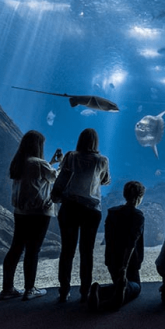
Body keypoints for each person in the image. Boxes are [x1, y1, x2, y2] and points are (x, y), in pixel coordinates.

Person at [1, 130, 62, 301]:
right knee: (33, 250)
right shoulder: (39, 163)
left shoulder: (19, 162)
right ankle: (30, 289)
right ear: (38, 145)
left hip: (21, 212)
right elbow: (53, 177)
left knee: (16, 248)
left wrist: (50, 162)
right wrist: (61, 164)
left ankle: (7, 289)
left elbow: (39, 175)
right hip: (38, 213)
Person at [57, 128, 111, 303]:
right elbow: (104, 180)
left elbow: (63, 178)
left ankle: (64, 290)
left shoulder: (70, 156)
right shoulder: (102, 160)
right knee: (86, 251)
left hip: (70, 207)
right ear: (96, 142)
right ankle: (85, 291)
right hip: (91, 209)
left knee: (67, 250)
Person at [87, 181, 145, 311]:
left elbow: (108, 237)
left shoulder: (112, 212)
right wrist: (124, 266)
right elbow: (131, 243)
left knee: (119, 284)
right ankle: (114, 296)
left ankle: (99, 291)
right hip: (129, 262)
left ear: (125, 195)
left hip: (112, 260)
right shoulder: (137, 215)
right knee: (136, 287)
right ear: (139, 197)